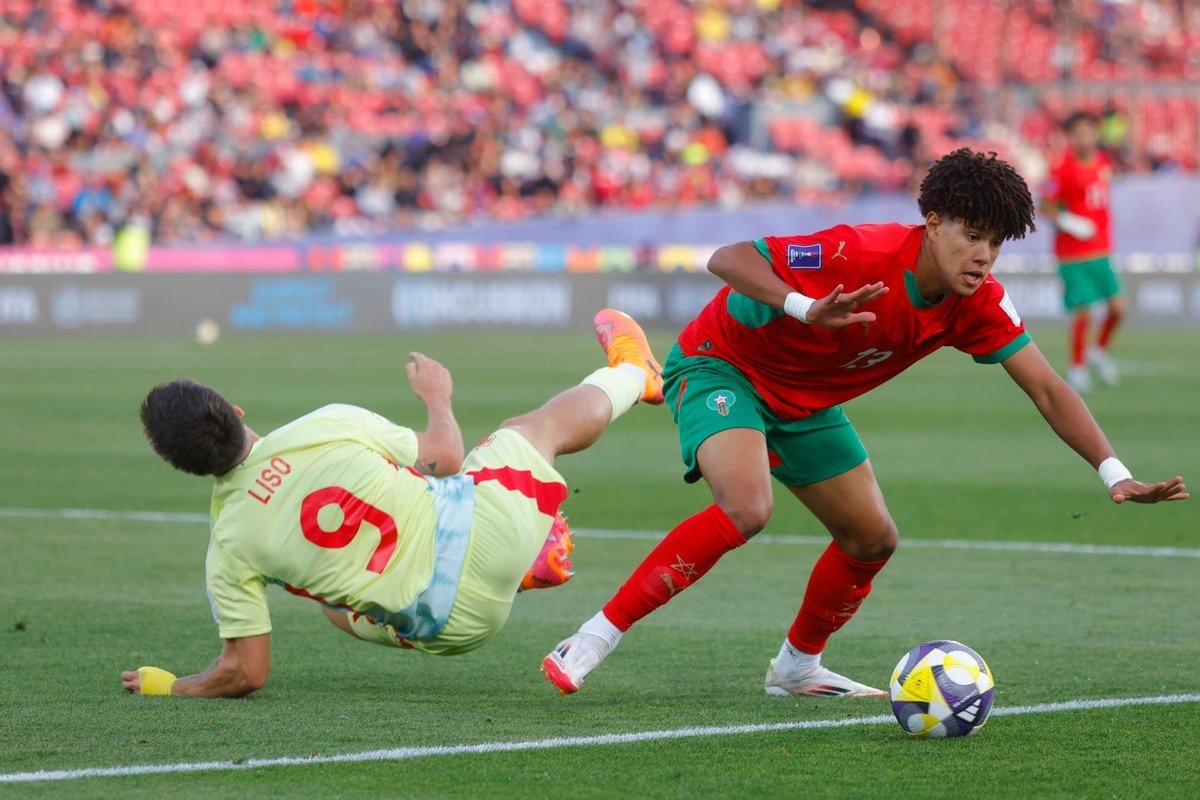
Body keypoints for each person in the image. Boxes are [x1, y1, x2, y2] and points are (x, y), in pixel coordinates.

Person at [542, 148, 1188, 699]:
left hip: (807, 402)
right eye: (971, 235)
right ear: (932, 222)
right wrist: (803, 307)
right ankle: (593, 636)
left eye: (995, 242)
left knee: (872, 539)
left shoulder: (977, 304)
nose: (983, 255)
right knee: (746, 506)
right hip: (725, 366)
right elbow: (728, 258)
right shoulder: (860, 251)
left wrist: (1115, 474)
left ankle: (797, 669)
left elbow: (1047, 388)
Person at [122, 313, 664, 698]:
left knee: (329, 599)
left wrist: (173, 686)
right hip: (486, 530)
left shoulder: (228, 547)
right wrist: (437, 398)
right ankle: (635, 372)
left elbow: (245, 673)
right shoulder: (322, 424)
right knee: (531, 430)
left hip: (458, 628)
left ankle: (505, 571)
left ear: (185, 467)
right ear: (235, 411)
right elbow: (447, 457)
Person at [1040, 110, 1123, 393]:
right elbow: (1045, 206)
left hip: (1101, 250)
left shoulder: (1102, 162)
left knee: (1118, 309)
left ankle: (1097, 352)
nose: (1084, 137)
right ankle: (1077, 368)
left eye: (1088, 131)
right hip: (1072, 254)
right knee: (1083, 312)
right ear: (1071, 137)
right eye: (1078, 132)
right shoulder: (1062, 168)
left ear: (1095, 134)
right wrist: (1070, 222)